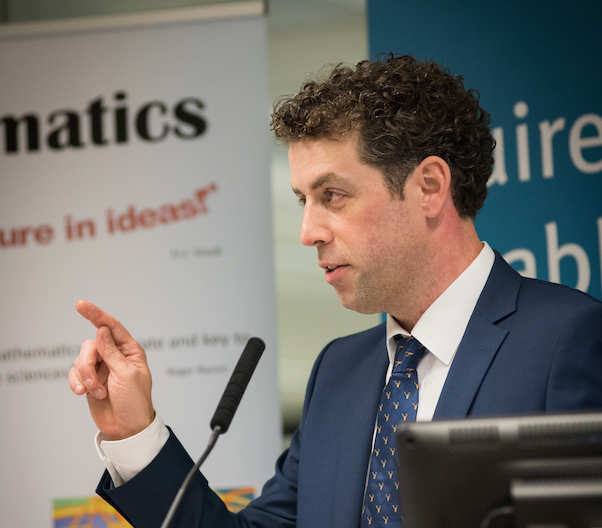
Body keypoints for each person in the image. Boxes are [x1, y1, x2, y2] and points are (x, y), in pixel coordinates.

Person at [69, 55, 602, 528]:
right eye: (303, 198)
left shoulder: (567, 340)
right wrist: (133, 433)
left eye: (333, 195)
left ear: (430, 187)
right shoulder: (338, 371)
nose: (307, 231)